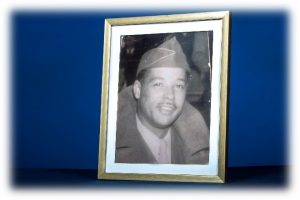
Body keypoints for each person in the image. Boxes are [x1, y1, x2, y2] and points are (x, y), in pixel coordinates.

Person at [115, 37, 209, 164]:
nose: (170, 95)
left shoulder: (200, 147)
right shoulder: (108, 145)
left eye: (179, 86)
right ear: (138, 90)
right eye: (158, 84)